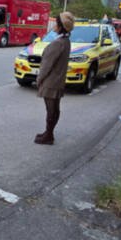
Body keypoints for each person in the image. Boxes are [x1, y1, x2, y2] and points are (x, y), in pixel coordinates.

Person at [35, 11, 75, 145]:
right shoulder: (66, 41)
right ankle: (48, 132)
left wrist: (39, 79)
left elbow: (46, 65)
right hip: (58, 80)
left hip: (51, 82)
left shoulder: (58, 43)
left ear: (61, 25)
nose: (54, 26)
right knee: (54, 109)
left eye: (56, 23)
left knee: (51, 110)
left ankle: (49, 135)